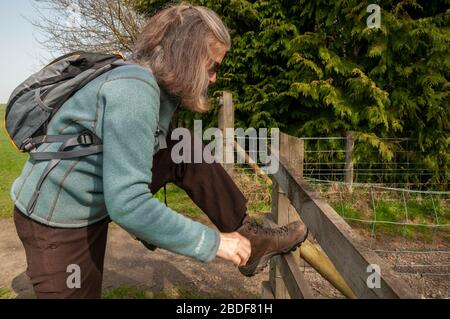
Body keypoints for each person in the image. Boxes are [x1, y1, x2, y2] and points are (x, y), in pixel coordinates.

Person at [11, 4, 308, 299]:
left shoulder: (156, 87)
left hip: (93, 198)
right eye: (212, 66)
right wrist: (214, 243)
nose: (215, 77)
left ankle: (251, 240)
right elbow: (128, 204)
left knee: (183, 146)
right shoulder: (134, 91)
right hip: (57, 222)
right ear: (187, 58)